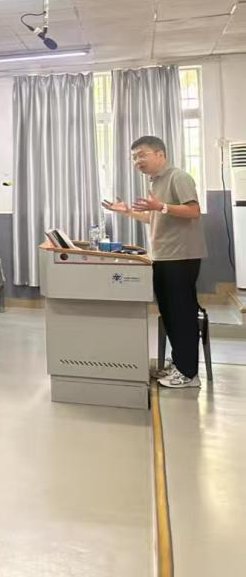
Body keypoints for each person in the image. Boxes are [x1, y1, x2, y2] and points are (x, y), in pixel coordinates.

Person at [101, 135, 208, 389]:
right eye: (134, 157)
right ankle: (179, 363)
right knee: (169, 313)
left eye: (142, 155)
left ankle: (188, 373)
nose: (137, 161)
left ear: (160, 154)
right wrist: (128, 212)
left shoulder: (178, 177)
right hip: (162, 256)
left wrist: (161, 207)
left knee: (182, 314)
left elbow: (193, 211)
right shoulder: (156, 182)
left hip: (181, 257)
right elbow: (155, 219)